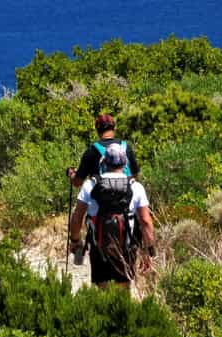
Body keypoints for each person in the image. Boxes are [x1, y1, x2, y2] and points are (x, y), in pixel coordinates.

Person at [68, 140, 156, 289]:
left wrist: (76, 240)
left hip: (99, 246)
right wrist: (148, 250)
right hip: (126, 246)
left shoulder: (90, 185)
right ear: (125, 163)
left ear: (104, 162)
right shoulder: (136, 187)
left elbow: (77, 218)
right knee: (123, 292)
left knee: (103, 292)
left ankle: (104, 311)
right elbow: (146, 222)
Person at [67, 112, 133, 190]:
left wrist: (72, 175)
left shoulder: (91, 151)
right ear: (113, 128)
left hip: (101, 200)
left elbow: (78, 182)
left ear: (98, 131)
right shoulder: (126, 147)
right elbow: (134, 176)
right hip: (126, 198)